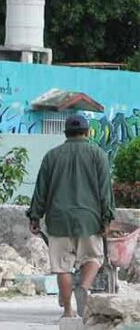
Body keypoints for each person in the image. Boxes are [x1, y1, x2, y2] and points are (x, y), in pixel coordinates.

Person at [27, 114, 115, 318]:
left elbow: (41, 190)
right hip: (89, 219)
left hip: (58, 220)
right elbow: (105, 192)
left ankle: (68, 312)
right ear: (87, 132)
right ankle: (83, 287)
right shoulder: (98, 155)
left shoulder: (52, 156)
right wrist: (107, 219)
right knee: (94, 257)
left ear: (65, 133)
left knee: (62, 267)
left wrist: (35, 217)